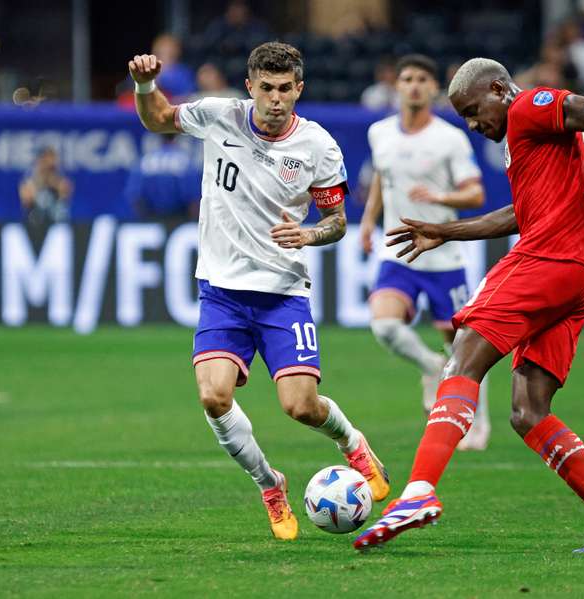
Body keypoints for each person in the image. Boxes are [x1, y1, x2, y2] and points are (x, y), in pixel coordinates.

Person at [353, 57, 584, 553]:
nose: (474, 124)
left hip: (551, 259)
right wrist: (444, 230)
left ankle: (419, 491)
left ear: (499, 88)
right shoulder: (527, 142)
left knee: (464, 355)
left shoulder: (531, 106)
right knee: (529, 411)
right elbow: (522, 214)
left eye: (474, 111)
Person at [128, 41, 390, 540]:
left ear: (299, 90)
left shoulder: (318, 146)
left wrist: (309, 234)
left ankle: (352, 441)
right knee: (213, 396)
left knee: (300, 406)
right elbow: (157, 118)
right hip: (222, 292)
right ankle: (269, 484)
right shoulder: (218, 116)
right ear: (250, 87)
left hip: (282, 293)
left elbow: (335, 220)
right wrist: (145, 83)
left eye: (285, 89)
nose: (275, 99)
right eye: (265, 89)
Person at [360, 54, 490, 450]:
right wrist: (368, 221)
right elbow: (384, 177)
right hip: (398, 252)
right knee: (383, 325)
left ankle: (477, 425)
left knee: (464, 348)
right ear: (396, 86)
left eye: (422, 79)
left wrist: (441, 196)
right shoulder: (380, 132)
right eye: (407, 78)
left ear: (433, 88)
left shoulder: (449, 138)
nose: (414, 85)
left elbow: (477, 192)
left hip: (442, 256)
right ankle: (430, 367)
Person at [124, 133, 201, 220]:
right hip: (179, 222)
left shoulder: (145, 160)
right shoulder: (185, 161)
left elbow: (135, 197)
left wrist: (146, 220)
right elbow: (194, 199)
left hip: (152, 222)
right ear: (178, 136)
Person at [18, 147, 72, 225]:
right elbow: (26, 201)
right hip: (34, 224)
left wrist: (53, 183)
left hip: (57, 223)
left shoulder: (61, 180)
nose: (52, 163)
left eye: (53, 159)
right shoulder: (29, 181)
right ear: (41, 161)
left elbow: (65, 196)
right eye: (47, 160)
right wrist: (39, 184)